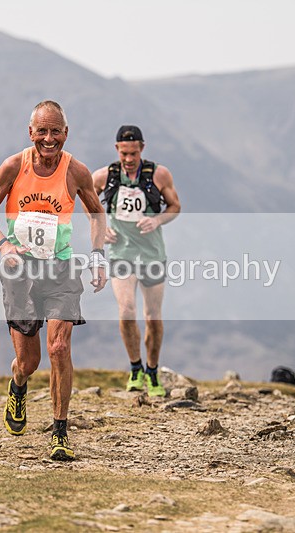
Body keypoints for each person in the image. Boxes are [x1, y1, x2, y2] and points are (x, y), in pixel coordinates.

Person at [0, 100, 108, 461]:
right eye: (42, 131)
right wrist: (4, 246)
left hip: (61, 269)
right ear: (31, 132)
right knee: (29, 361)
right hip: (20, 272)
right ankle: (18, 385)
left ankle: (60, 432)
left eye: (56, 132)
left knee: (59, 348)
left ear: (66, 133)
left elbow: (97, 214)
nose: (49, 139)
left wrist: (98, 256)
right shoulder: (13, 166)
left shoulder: (75, 171)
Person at [91, 125, 181, 396]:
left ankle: (152, 372)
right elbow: (87, 200)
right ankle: (135, 368)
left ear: (142, 148)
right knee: (127, 310)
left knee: (152, 316)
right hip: (122, 252)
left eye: (133, 153)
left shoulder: (159, 174)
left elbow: (175, 206)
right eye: (124, 153)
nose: (129, 159)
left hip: (152, 253)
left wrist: (157, 220)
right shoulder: (104, 176)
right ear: (117, 149)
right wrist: (101, 226)